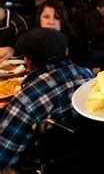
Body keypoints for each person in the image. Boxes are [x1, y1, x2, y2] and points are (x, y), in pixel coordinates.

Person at [0, 28, 95, 169]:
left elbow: (4, 157)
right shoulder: (88, 75)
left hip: (48, 164)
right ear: (67, 51)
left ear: (28, 62)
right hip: (95, 153)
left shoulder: (26, 99)